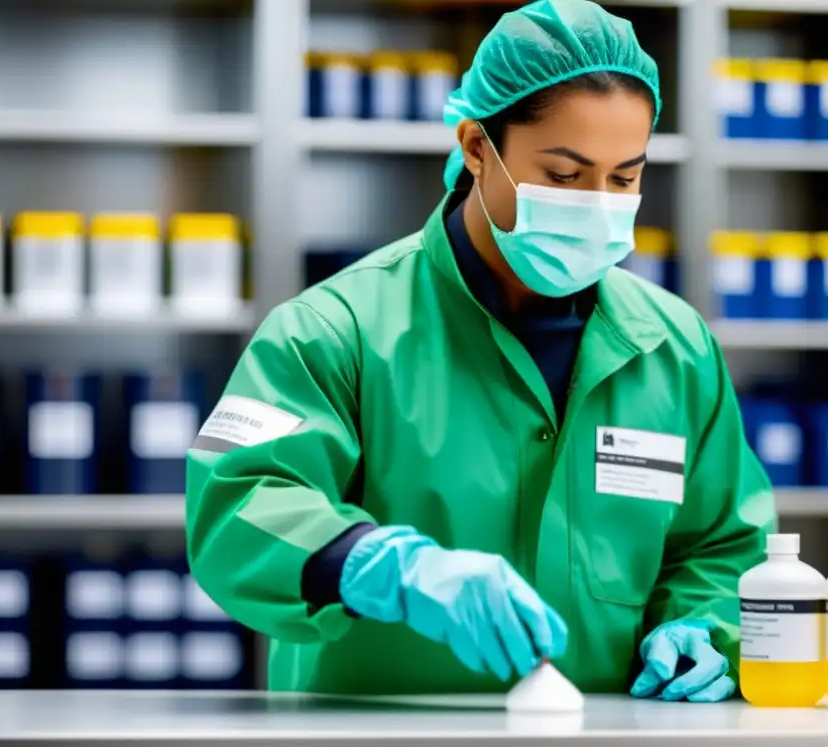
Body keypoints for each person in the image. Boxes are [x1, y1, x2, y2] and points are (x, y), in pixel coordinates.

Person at [186, 0, 776, 702]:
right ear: (474, 147)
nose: (597, 203)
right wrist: (379, 567)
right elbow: (236, 505)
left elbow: (721, 544)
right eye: (564, 175)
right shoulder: (332, 329)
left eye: (623, 178)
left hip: (606, 746)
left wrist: (703, 625)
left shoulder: (674, 349)